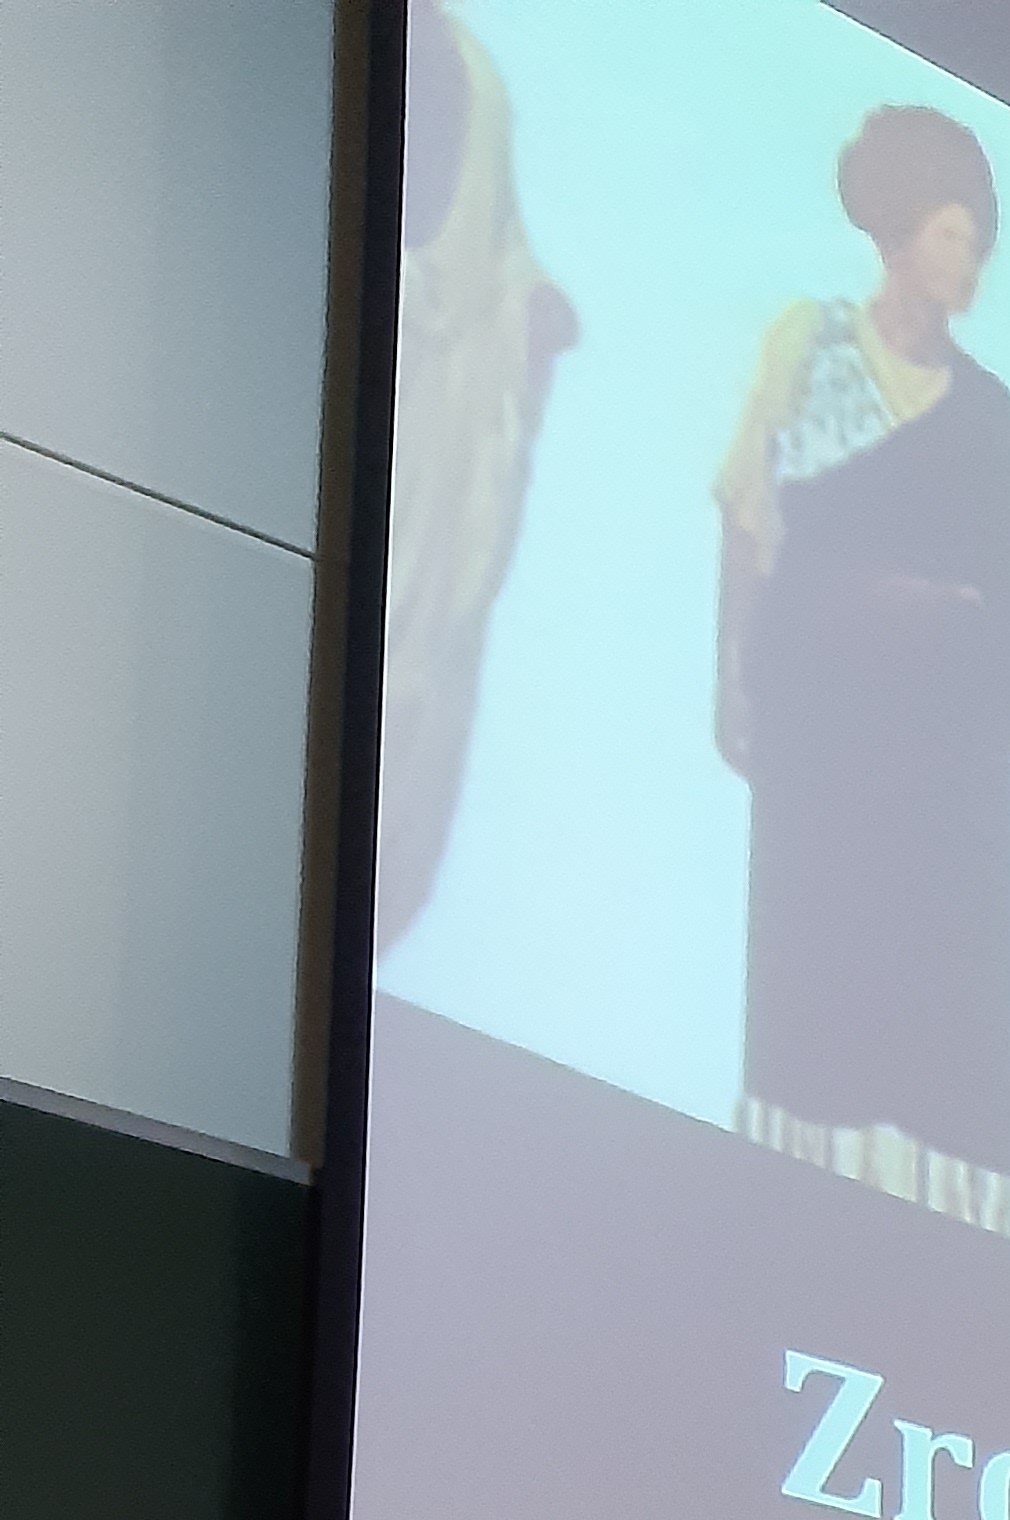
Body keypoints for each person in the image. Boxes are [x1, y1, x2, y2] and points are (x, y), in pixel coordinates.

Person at [714, 105, 1010, 1236]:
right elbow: (750, 522)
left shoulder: (999, 423)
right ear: (899, 231)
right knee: (821, 1004)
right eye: (954, 235)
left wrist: (948, 617)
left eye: (981, 242)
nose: (970, 263)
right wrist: (734, 677)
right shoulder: (813, 348)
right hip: (826, 746)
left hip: (946, 777)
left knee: (953, 1017)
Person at [375, 0, 576, 953]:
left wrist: (532, 309)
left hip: (445, 413)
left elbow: (500, 254)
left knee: (423, 644)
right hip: (378, 384)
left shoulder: (479, 78)